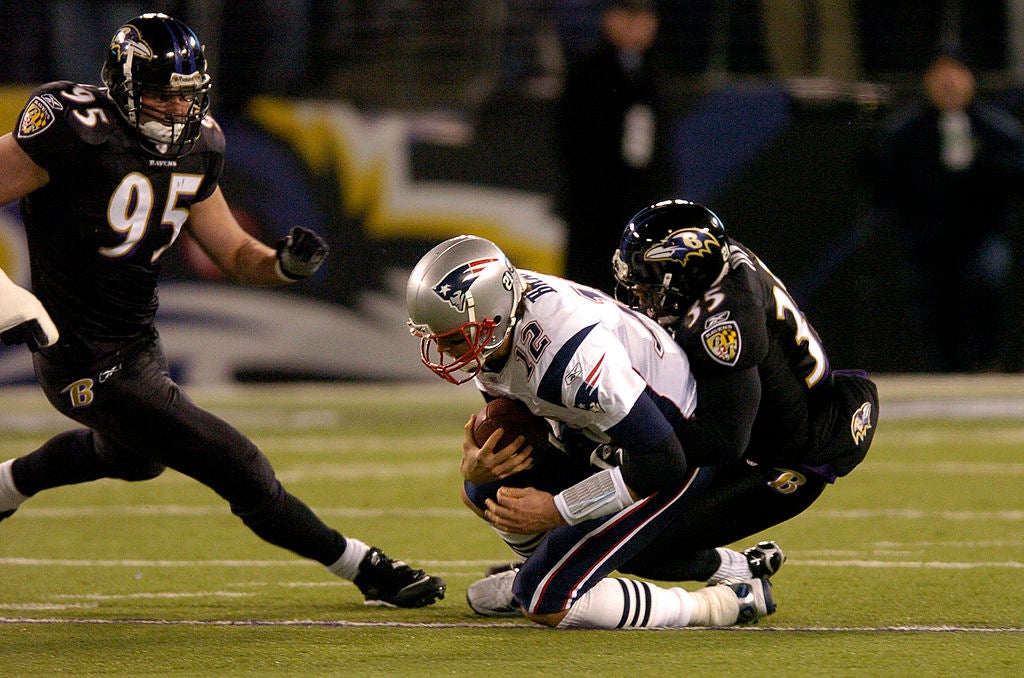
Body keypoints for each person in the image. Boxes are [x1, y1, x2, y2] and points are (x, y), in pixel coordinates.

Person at [0, 13, 445, 609]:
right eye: (162, 96)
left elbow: (234, 252)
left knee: (131, 460)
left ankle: (8, 483)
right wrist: (10, 295)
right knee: (236, 462)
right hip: (78, 353)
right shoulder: (72, 127)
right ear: (123, 87)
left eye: (186, 96)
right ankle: (365, 568)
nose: (178, 111)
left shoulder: (200, 145)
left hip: (136, 338)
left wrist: (282, 264)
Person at [405, 234, 780, 630]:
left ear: (494, 317)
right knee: (483, 490)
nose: (443, 351)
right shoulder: (503, 316)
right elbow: (528, 416)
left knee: (544, 601)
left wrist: (559, 508)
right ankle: (546, 569)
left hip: (670, 451)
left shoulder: (574, 360)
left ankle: (722, 604)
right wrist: (485, 463)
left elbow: (663, 462)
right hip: (605, 440)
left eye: (452, 339)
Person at [871, 48, 1024, 372]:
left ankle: (987, 365)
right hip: (929, 237)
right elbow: (885, 184)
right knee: (933, 298)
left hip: (982, 235)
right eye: (941, 74)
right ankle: (945, 369)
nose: (949, 82)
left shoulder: (998, 130)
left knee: (987, 282)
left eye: (956, 73)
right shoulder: (904, 132)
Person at [555, 0, 675, 295]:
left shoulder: (655, 70)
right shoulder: (588, 70)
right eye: (630, 17)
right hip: (595, 210)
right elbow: (569, 141)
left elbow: (660, 148)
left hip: (641, 207)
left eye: (645, 18)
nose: (638, 27)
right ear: (610, 19)